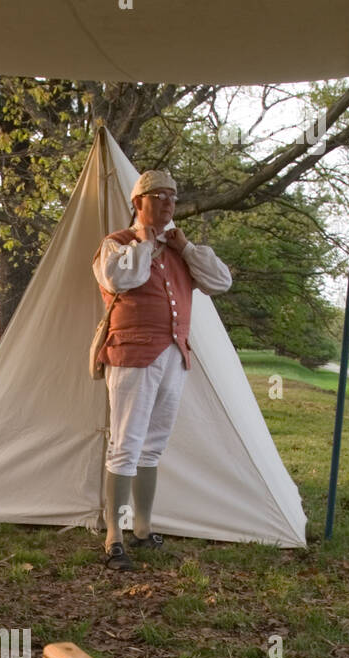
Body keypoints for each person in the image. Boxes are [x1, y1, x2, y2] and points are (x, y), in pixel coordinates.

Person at [93, 170, 232, 570]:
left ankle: (142, 526)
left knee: (153, 444)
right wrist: (145, 242)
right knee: (125, 444)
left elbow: (220, 281)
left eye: (172, 196)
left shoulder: (178, 249)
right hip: (133, 354)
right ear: (138, 203)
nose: (168, 202)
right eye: (159, 196)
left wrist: (184, 246)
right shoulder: (117, 245)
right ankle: (113, 535)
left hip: (174, 353)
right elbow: (122, 277)